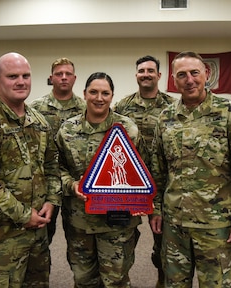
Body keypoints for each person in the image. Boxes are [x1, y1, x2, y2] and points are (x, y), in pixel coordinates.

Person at [149, 51, 231, 288]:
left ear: (206, 74)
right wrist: (156, 209)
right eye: (182, 75)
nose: (189, 80)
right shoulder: (165, 118)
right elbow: (158, 170)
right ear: (173, 79)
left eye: (195, 73)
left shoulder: (229, 113)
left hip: (217, 227)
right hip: (175, 224)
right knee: (174, 284)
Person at [0, 52, 62, 287]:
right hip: (0, 239)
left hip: (37, 234)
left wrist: (51, 200)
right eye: (13, 76)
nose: (21, 81)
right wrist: (24, 216)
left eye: (26, 75)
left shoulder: (38, 121)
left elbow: (51, 166)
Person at [56, 72, 143, 288]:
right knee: (83, 280)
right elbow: (56, 168)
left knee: (116, 281)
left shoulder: (128, 130)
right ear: (84, 94)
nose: (99, 98)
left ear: (112, 96)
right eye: (93, 92)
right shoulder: (67, 130)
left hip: (117, 223)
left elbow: (143, 170)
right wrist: (71, 184)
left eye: (105, 93)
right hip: (79, 221)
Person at [113, 55, 175, 288]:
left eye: (151, 70)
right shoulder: (122, 106)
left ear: (159, 75)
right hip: (130, 184)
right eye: (141, 71)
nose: (146, 74)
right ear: (136, 75)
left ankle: (162, 280)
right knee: (124, 238)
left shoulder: (172, 106)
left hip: (164, 184)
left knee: (165, 242)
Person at [30, 57, 85, 244]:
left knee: (78, 237)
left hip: (76, 182)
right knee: (43, 236)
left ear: (74, 78)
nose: (63, 77)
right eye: (58, 74)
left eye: (68, 74)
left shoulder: (84, 108)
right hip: (46, 181)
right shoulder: (36, 108)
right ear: (51, 78)